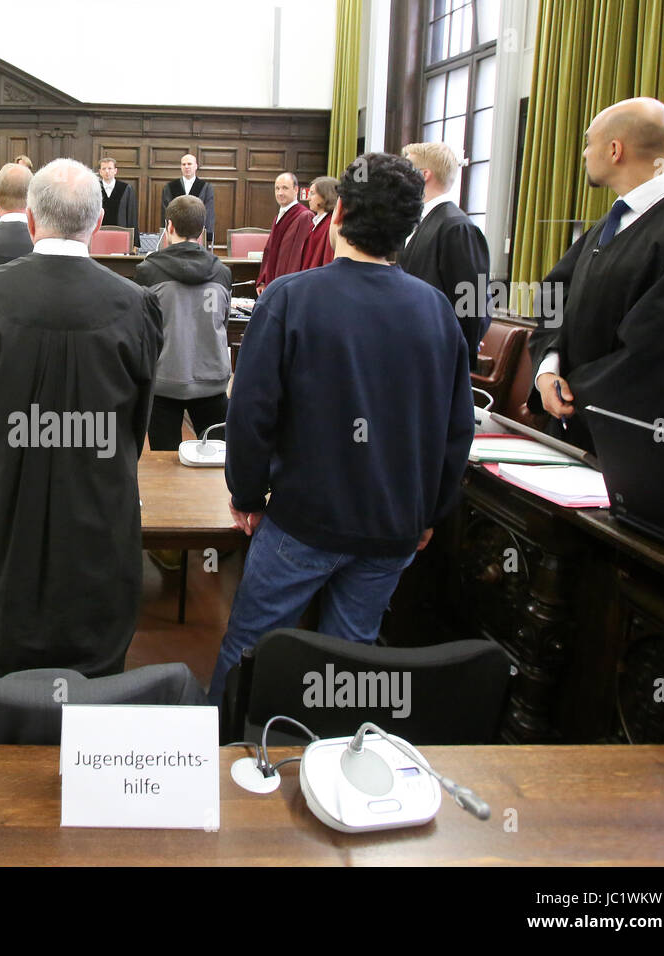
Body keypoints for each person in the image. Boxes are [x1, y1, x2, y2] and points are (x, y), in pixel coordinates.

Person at [209, 152, 473, 703]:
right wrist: (431, 511)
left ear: (340, 212)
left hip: (305, 518)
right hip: (394, 522)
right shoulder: (437, 310)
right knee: (350, 659)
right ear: (409, 225)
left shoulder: (289, 298)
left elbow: (251, 412)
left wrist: (247, 493)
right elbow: (456, 428)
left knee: (253, 646)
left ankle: (225, 758)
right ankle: (325, 768)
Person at [0, 158, 163, 678]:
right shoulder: (137, 304)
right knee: (93, 639)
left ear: (33, 220)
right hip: (98, 496)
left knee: (1, 626)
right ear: (98, 219)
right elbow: (139, 421)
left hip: (7, 491)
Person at [529, 96, 664, 450]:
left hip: (647, 445)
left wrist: (573, 394)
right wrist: (547, 371)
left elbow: (662, 348)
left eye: (588, 144)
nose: (583, 154)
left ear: (614, 149)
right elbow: (554, 295)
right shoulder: (607, 225)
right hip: (575, 427)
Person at [134, 194, 231, 450]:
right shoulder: (222, 272)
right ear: (202, 231)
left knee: (164, 466)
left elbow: (141, 332)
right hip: (212, 380)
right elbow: (223, 323)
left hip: (164, 380)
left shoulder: (147, 271)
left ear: (169, 227)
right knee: (215, 466)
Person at [398, 142, 491, 370]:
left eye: (404, 169)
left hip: (438, 358)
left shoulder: (456, 227)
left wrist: (458, 359)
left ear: (423, 175)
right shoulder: (419, 222)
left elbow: (472, 304)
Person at [255, 171, 312, 294]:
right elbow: (269, 250)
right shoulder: (279, 217)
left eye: (285, 188)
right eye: (277, 188)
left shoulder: (304, 216)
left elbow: (298, 256)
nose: (280, 193)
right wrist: (263, 279)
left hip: (288, 286)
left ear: (296, 189)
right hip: (273, 281)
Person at [161, 154, 215, 245]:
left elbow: (209, 213)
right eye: (183, 164)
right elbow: (166, 212)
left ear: (196, 166)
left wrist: (207, 236)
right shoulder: (170, 187)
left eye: (189, 164)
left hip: (197, 237)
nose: (186, 167)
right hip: (176, 236)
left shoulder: (205, 187)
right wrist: (167, 232)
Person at [299, 176, 338, 271]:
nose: (308, 198)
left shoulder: (330, 226)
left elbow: (327, 260)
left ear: (326, 195)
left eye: (312, 193)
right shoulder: (314, 224)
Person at [98, 157, 138, 231]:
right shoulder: (94, 188)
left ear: (115, 171)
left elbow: (131, 216)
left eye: (110, 168)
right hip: (98, 233)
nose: (107, 171)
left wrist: (133, 240)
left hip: (121, 234)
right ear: (100, 171)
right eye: (104, 169)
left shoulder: (126, 189)